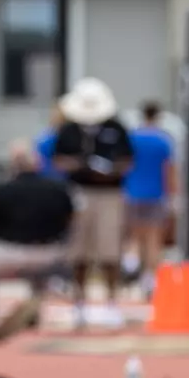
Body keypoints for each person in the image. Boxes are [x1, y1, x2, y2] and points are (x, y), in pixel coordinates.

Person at [0, 139, 74, 343]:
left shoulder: (5, 190)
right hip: (53, 255)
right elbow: (72, 221)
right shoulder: (58, 189)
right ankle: (37, 307)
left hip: (13, 255)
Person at [51, 77, 133, 327]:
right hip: (79, 192)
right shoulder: (68, 130)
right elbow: (57, 159)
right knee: (79, 249)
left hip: (109, 193)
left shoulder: (116, 128)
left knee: (110, 248)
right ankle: (79, 301)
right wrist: (78, 164)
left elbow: (128, 161)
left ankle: (111, 301)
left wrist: (109, 170)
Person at [124, 102, 178, 293]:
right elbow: (170, 170)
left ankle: (131, 267)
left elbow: (125, 165)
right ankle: (149, 277)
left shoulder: (131, 139)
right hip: (155, 194)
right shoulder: (163, 141)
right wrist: (173, 196)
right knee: (154, 239)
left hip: (132, 193)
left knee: (134, 236)